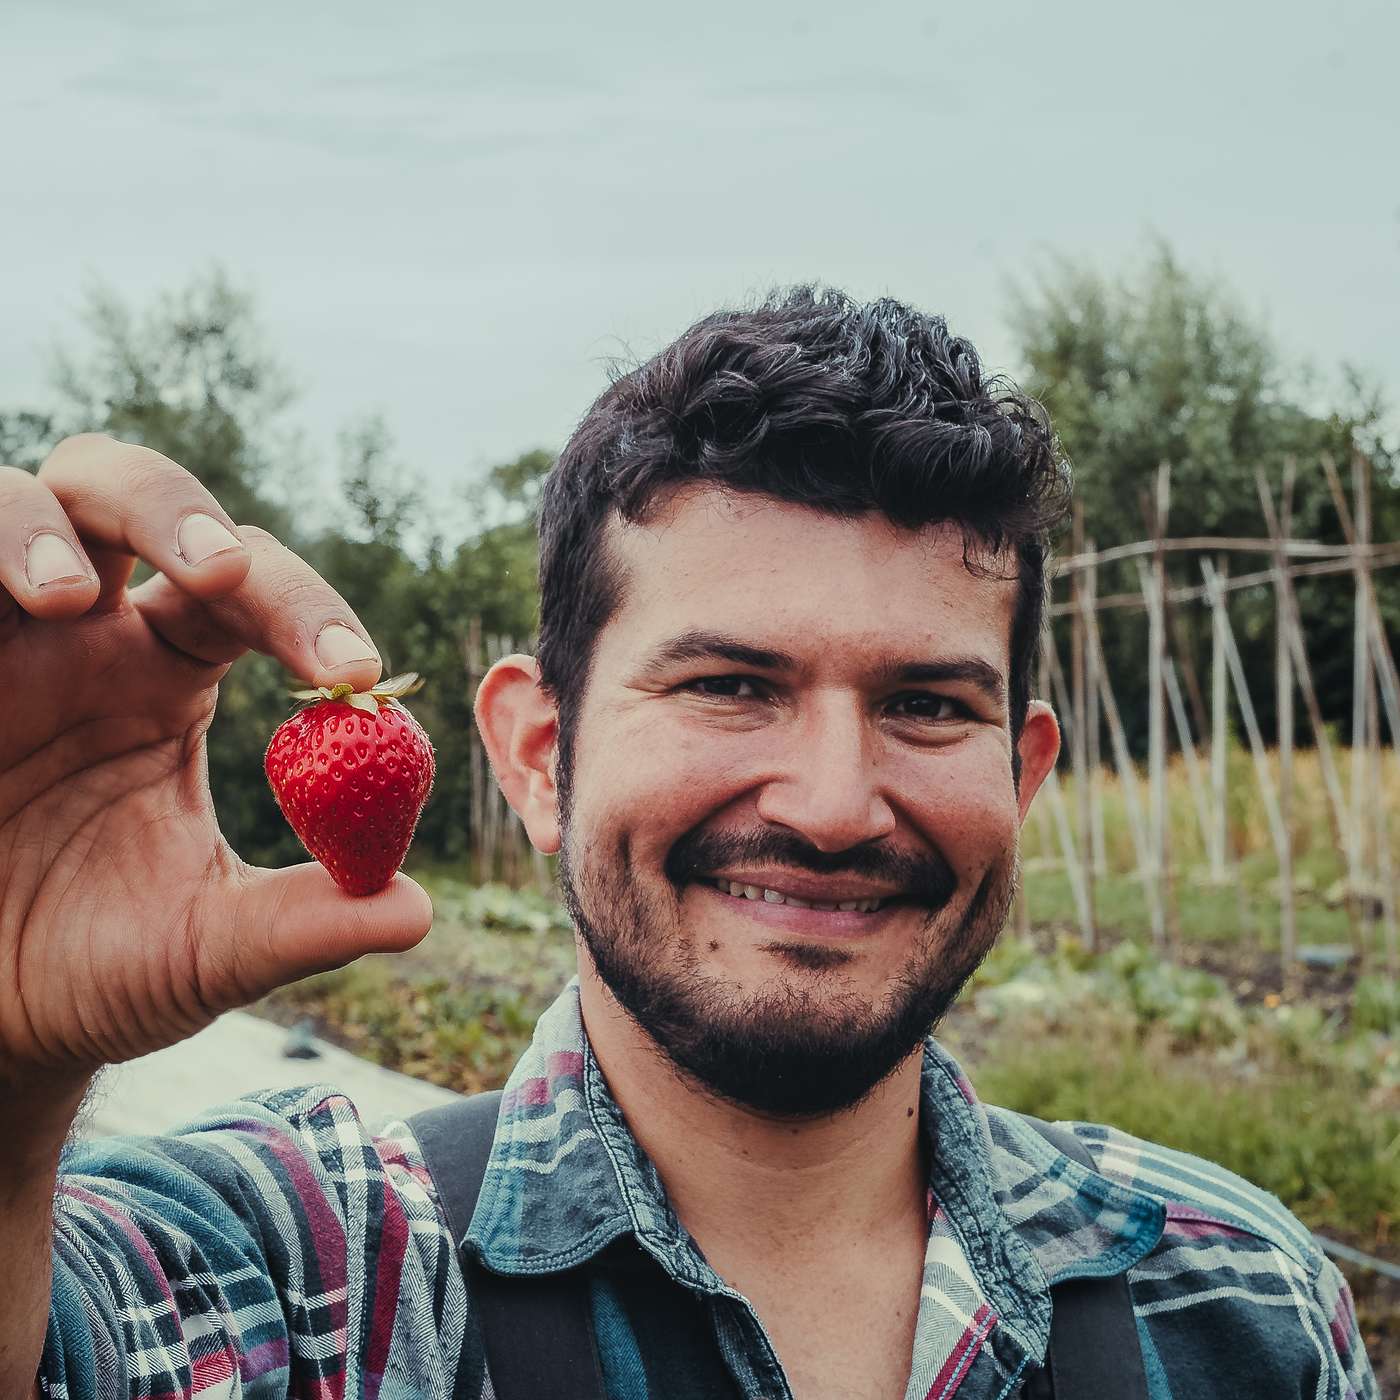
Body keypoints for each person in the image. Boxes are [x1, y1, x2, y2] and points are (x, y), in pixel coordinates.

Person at [0, 287, 1374, 1400]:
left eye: (925, 704)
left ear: (1021, 776)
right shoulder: (310, 1278)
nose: (834, 806)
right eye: (730, 686)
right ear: (542, 753)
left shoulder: (1236, 1294)